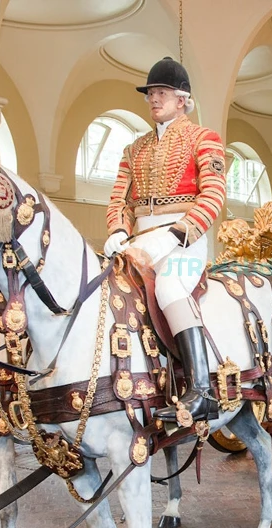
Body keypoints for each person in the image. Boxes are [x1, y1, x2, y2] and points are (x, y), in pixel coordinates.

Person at [103, 57, 227, 425]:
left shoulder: (204, 139)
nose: (154, 99)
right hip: (139, 239)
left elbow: (214, 194)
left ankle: (202, 389)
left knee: (171, 287)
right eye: (151, 94)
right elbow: (119, 199)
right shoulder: (133, 149)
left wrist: (180, 231)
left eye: (162, 93)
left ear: (182, 99)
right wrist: (117, 230)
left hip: (183, 239)